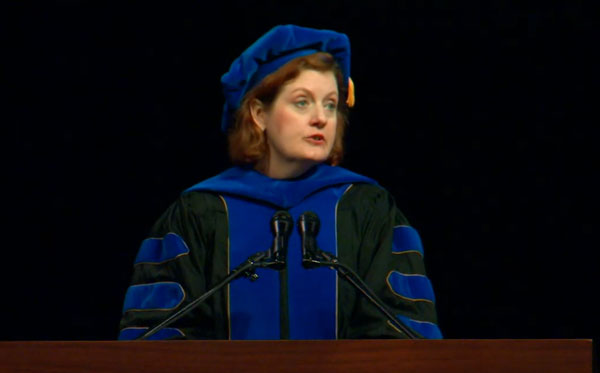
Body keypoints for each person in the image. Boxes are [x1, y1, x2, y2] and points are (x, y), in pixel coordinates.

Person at [118, 25, 441, 340]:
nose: (321, 117)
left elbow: (400, 334)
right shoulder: (201, 211)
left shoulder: (367, 208)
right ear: (259, 114)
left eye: (330, 103)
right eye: (302, 102)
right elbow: (159, 341)